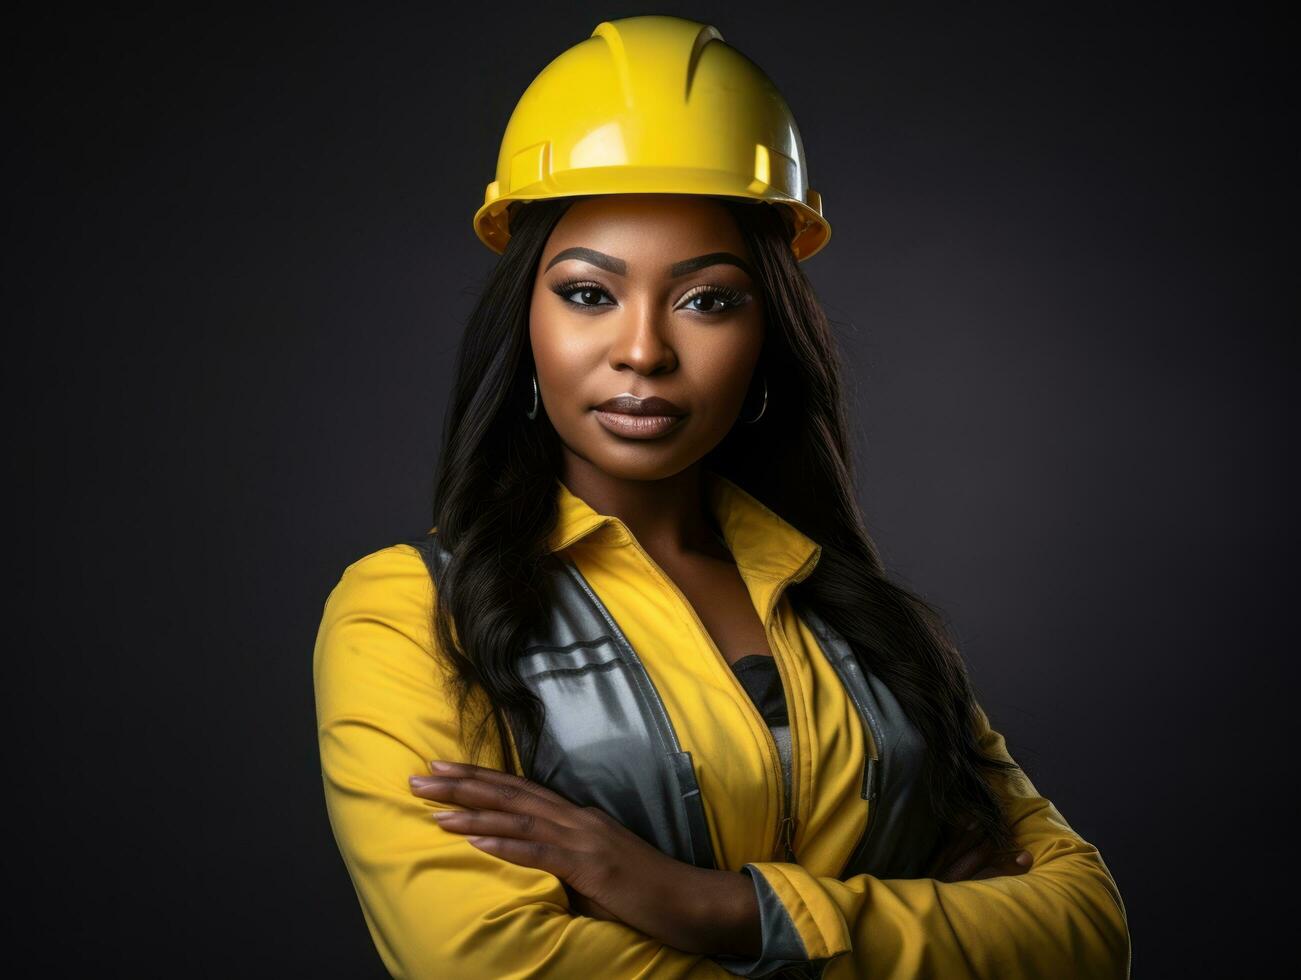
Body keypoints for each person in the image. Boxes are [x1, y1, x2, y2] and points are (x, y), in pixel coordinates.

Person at [312, 14, 1131, 978]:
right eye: (587, 293)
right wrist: (927, 927)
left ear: (767, 336)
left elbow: (1086, 930)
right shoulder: (413, 616)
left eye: (707, 299)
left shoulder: (863, 623)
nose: (644, 350)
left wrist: (710, 907)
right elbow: (487, 964)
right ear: (522, 325)